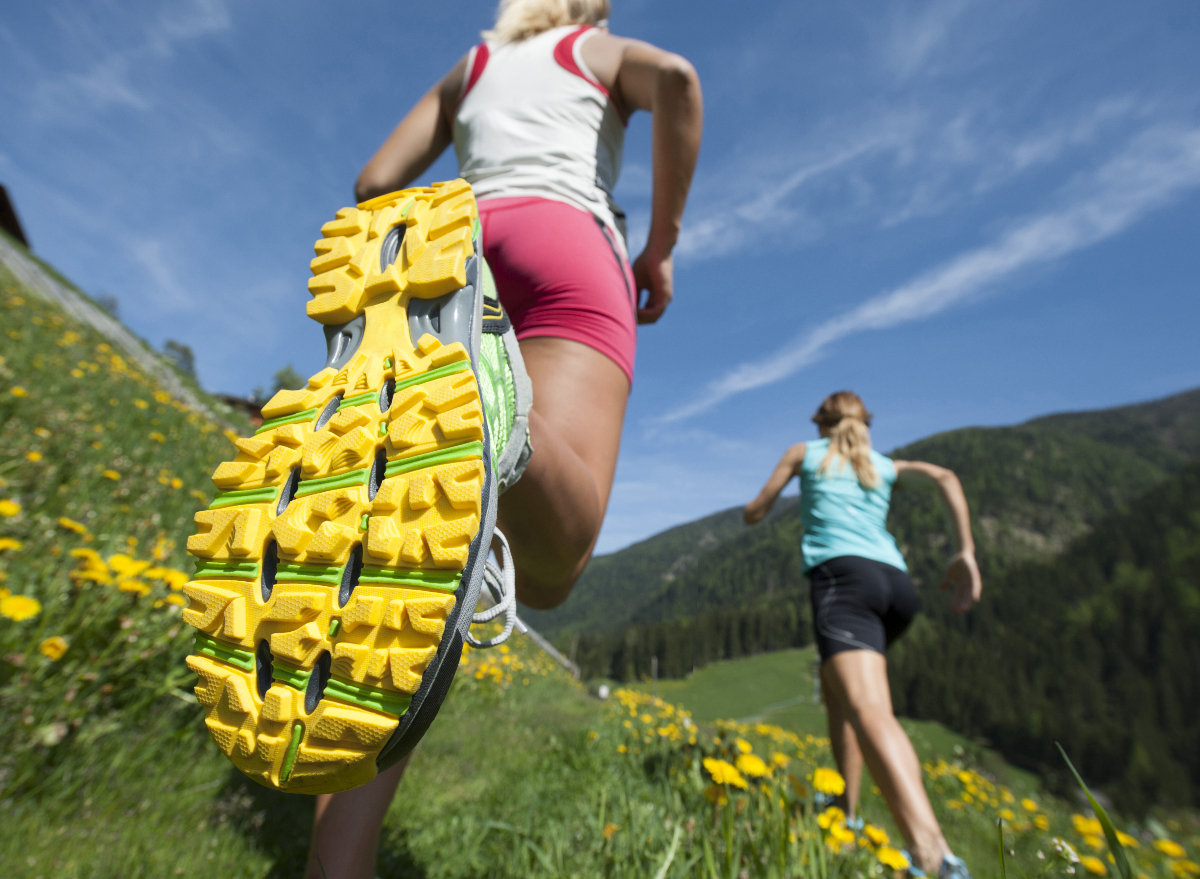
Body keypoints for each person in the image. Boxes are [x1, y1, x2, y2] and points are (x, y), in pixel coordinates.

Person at [303, 1, 702, 876]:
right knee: (557, 561)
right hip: (566, 241)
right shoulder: (586, 48)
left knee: (421, 562)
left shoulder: (472, 67)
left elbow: (375, 181)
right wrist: (661, 246)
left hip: (454, 254)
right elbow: (675, 79)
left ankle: (337, 862)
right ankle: (497, 411)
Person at [744, 391, 982, 879]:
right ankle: (845, 813)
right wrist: (966, 552)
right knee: (840, 699)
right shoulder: (884, 464)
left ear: (820, 424)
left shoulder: (803, 454)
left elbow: (756, 510)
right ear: (864, 423)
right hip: (895, 586)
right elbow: (946, 477)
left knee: (869, 709)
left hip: (843, 584)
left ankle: (935, 857)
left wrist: (757, 507)